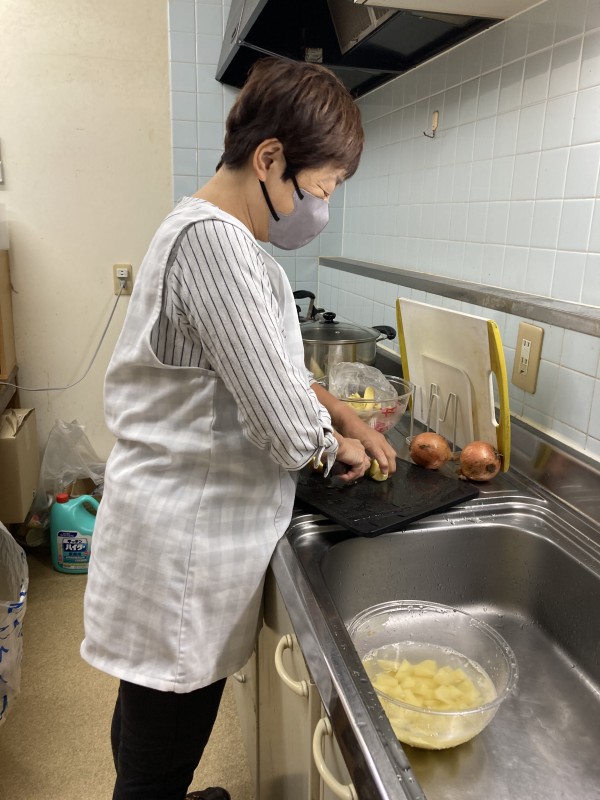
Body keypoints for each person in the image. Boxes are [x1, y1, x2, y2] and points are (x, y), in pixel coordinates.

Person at [81, 57, 397, 800]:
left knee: (148, 720)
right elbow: (287, 430)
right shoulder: (215, 245)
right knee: (159, 752)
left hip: (176, 532)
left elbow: (268, 371)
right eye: (322, 188)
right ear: (269, 159)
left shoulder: (210, 237)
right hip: (184, 550)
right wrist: (335, 445)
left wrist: (342, 409)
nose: (321, 209)